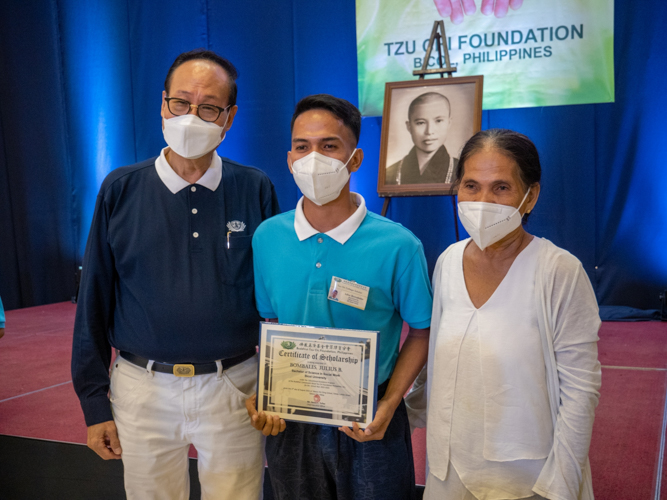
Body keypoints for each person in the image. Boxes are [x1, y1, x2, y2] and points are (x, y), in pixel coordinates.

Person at [71, 49, 280, 499]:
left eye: (208, 108)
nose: (191, 116)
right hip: (142, 390)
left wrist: (275, 386)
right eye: (181, 103)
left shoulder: (255, 188)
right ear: (162, 103)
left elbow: (276, 299)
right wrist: (93, 403)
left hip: (234, 387)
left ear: (229, 117)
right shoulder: (120, 189)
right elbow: (94, 298)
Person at [246, 94, 433, 500]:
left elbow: (421, 331)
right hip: (291, 416)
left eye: (329, 146)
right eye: (302, 147)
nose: (314, 158)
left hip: (370, 418)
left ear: (356, 158)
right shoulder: (267, 237)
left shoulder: (398, 245)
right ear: (290, 157)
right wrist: (265, 390)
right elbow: (271, 324)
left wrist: (390, 404)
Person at [406, 128, 601, 500]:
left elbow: (581, 393)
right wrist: (395, 412)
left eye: (501, 188)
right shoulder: (448, 261)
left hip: (530, 479)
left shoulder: (558, 270)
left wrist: (561, 484)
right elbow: (439, 366)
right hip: (449, 470)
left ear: (531, 196)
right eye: (471, 186)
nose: (483, 201)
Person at [385, 92, 458, 186]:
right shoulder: (391, 174)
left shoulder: (462, 169)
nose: (429, 131)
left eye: (438, 121)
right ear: (409, 126)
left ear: (449, 123)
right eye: (421, 123)